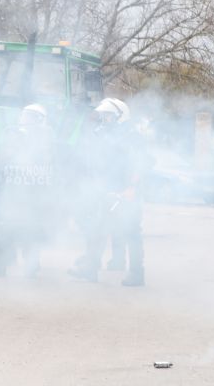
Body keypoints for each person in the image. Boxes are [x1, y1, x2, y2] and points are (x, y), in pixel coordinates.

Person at [69, 97, 147, 286]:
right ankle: (90, 269)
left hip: (127, 192)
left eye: (109, 116)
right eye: (103, 116)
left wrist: (131, 188)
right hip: (107, 190)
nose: (105, 120)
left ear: (121, 116)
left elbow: (139, 165)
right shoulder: (105, 134)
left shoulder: (132, 136)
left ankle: (137, 274)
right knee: (97, 229)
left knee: (131, 232)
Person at [0, 103, 56, 277]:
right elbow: (3, 158)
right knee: (11, 226)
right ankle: (7, 264)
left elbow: (45, 162)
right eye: (24, 114)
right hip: (16, 189)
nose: (23, 118)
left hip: (29, 191)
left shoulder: (44, 136)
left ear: (38, 119)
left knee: (24, 227)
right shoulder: (17, 133)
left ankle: (24, 265)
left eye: (28, 115)